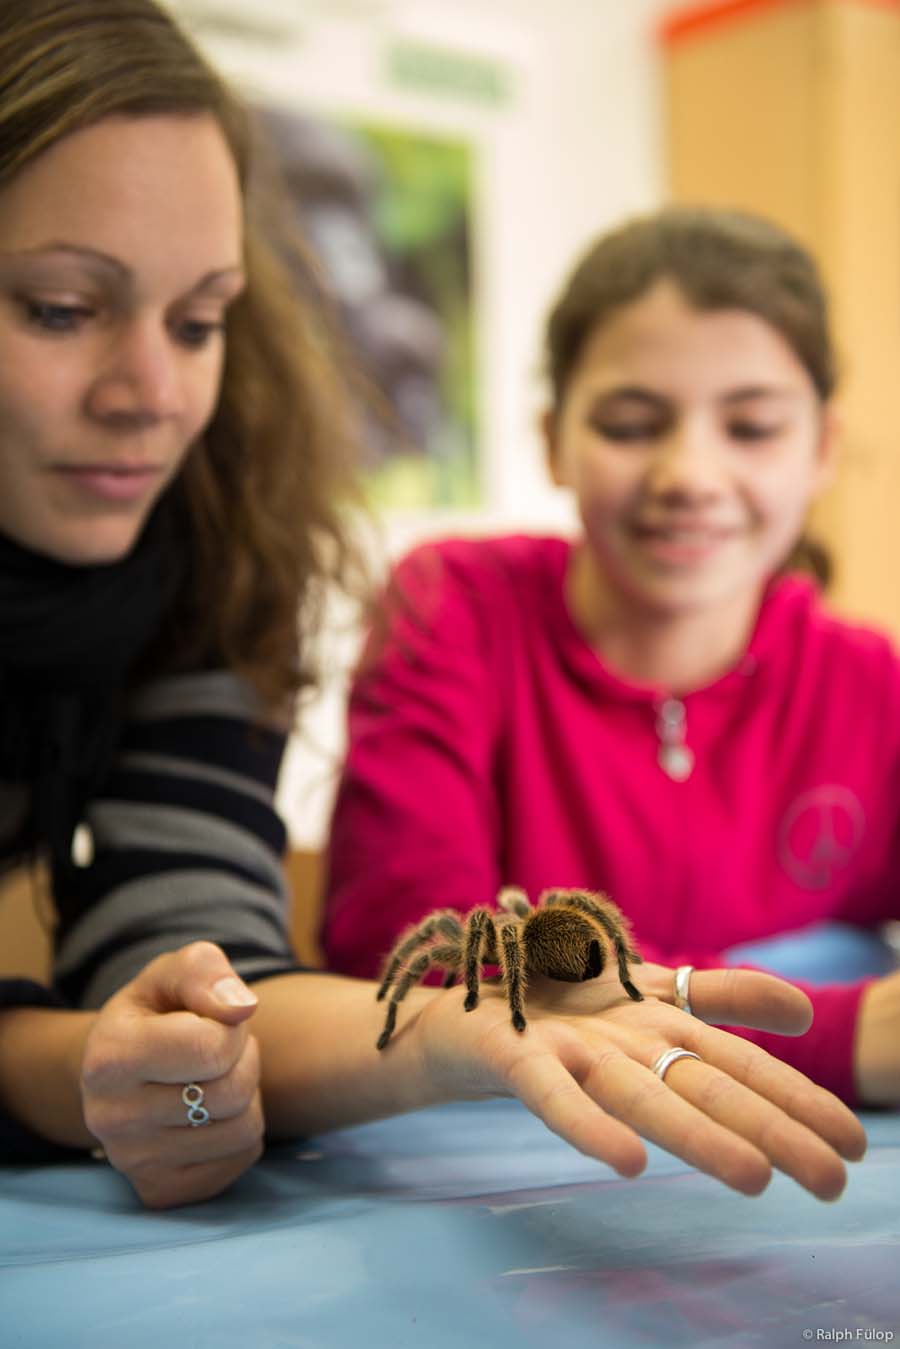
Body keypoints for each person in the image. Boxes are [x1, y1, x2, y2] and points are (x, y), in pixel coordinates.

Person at [0, 0, 866, 1211]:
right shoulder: (458, 607)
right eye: (56, 307)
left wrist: (138, 1065)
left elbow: (190, 986)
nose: (152, 392)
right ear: (551, 437)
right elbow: (400, 932)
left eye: (202, 322)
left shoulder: (194, 571)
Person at [322, 206, 900, 1110]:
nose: (689, 475)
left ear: (822, 447)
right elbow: (404, 966)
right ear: (553, 440)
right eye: (632, 424)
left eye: (750, 428)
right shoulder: (451, 610)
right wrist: (840, 1029)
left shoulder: (870, 682)